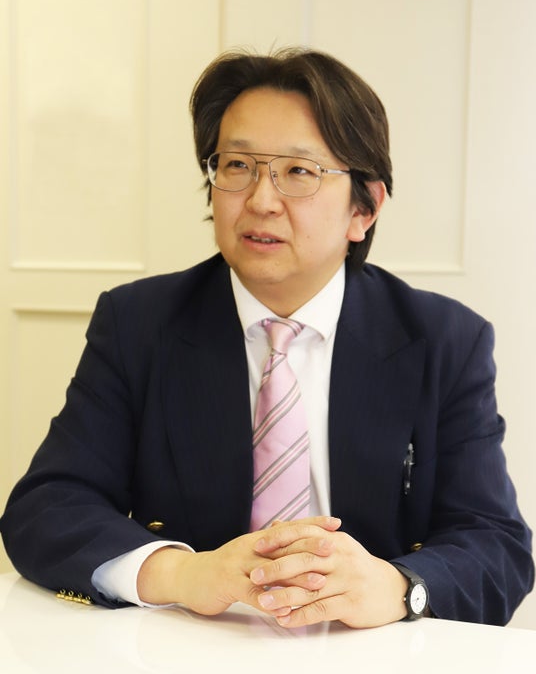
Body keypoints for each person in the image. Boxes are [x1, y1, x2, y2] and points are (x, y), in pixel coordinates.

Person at [0, 48, 533, 629]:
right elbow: (46, 507)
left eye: (299, 172)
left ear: (365, 209)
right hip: (190, 648)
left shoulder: (444, 340)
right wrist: (184, 573)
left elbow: (496, 546)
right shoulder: (139, 323)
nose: (259, 200)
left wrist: (399, 587)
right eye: (237, 165)